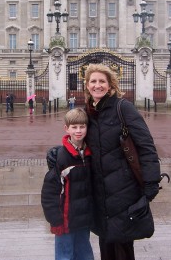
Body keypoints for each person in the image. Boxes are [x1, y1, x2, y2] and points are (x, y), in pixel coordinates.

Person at [83, 63, 161, 260]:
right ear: (87, 85)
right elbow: (76, 140)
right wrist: (57, 154)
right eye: (93, 81)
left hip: (123, 192)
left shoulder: (123, 108)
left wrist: (151, 182)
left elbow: (146, 146)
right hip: (100, 193)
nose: (97, 85)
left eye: (102, 81)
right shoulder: (88, 112)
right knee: (106, 244)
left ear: (110, 85)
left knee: (122, 247)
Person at [41, 108, 94, 260]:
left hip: (83, 219)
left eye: (82, 127)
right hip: (65, 221)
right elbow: (50, 194)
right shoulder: (61, 158)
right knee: (65, 256)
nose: (78, 131)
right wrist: (55, 220)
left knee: (85, 255)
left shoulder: (90, 155)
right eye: (74, 127)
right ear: (67, 129)